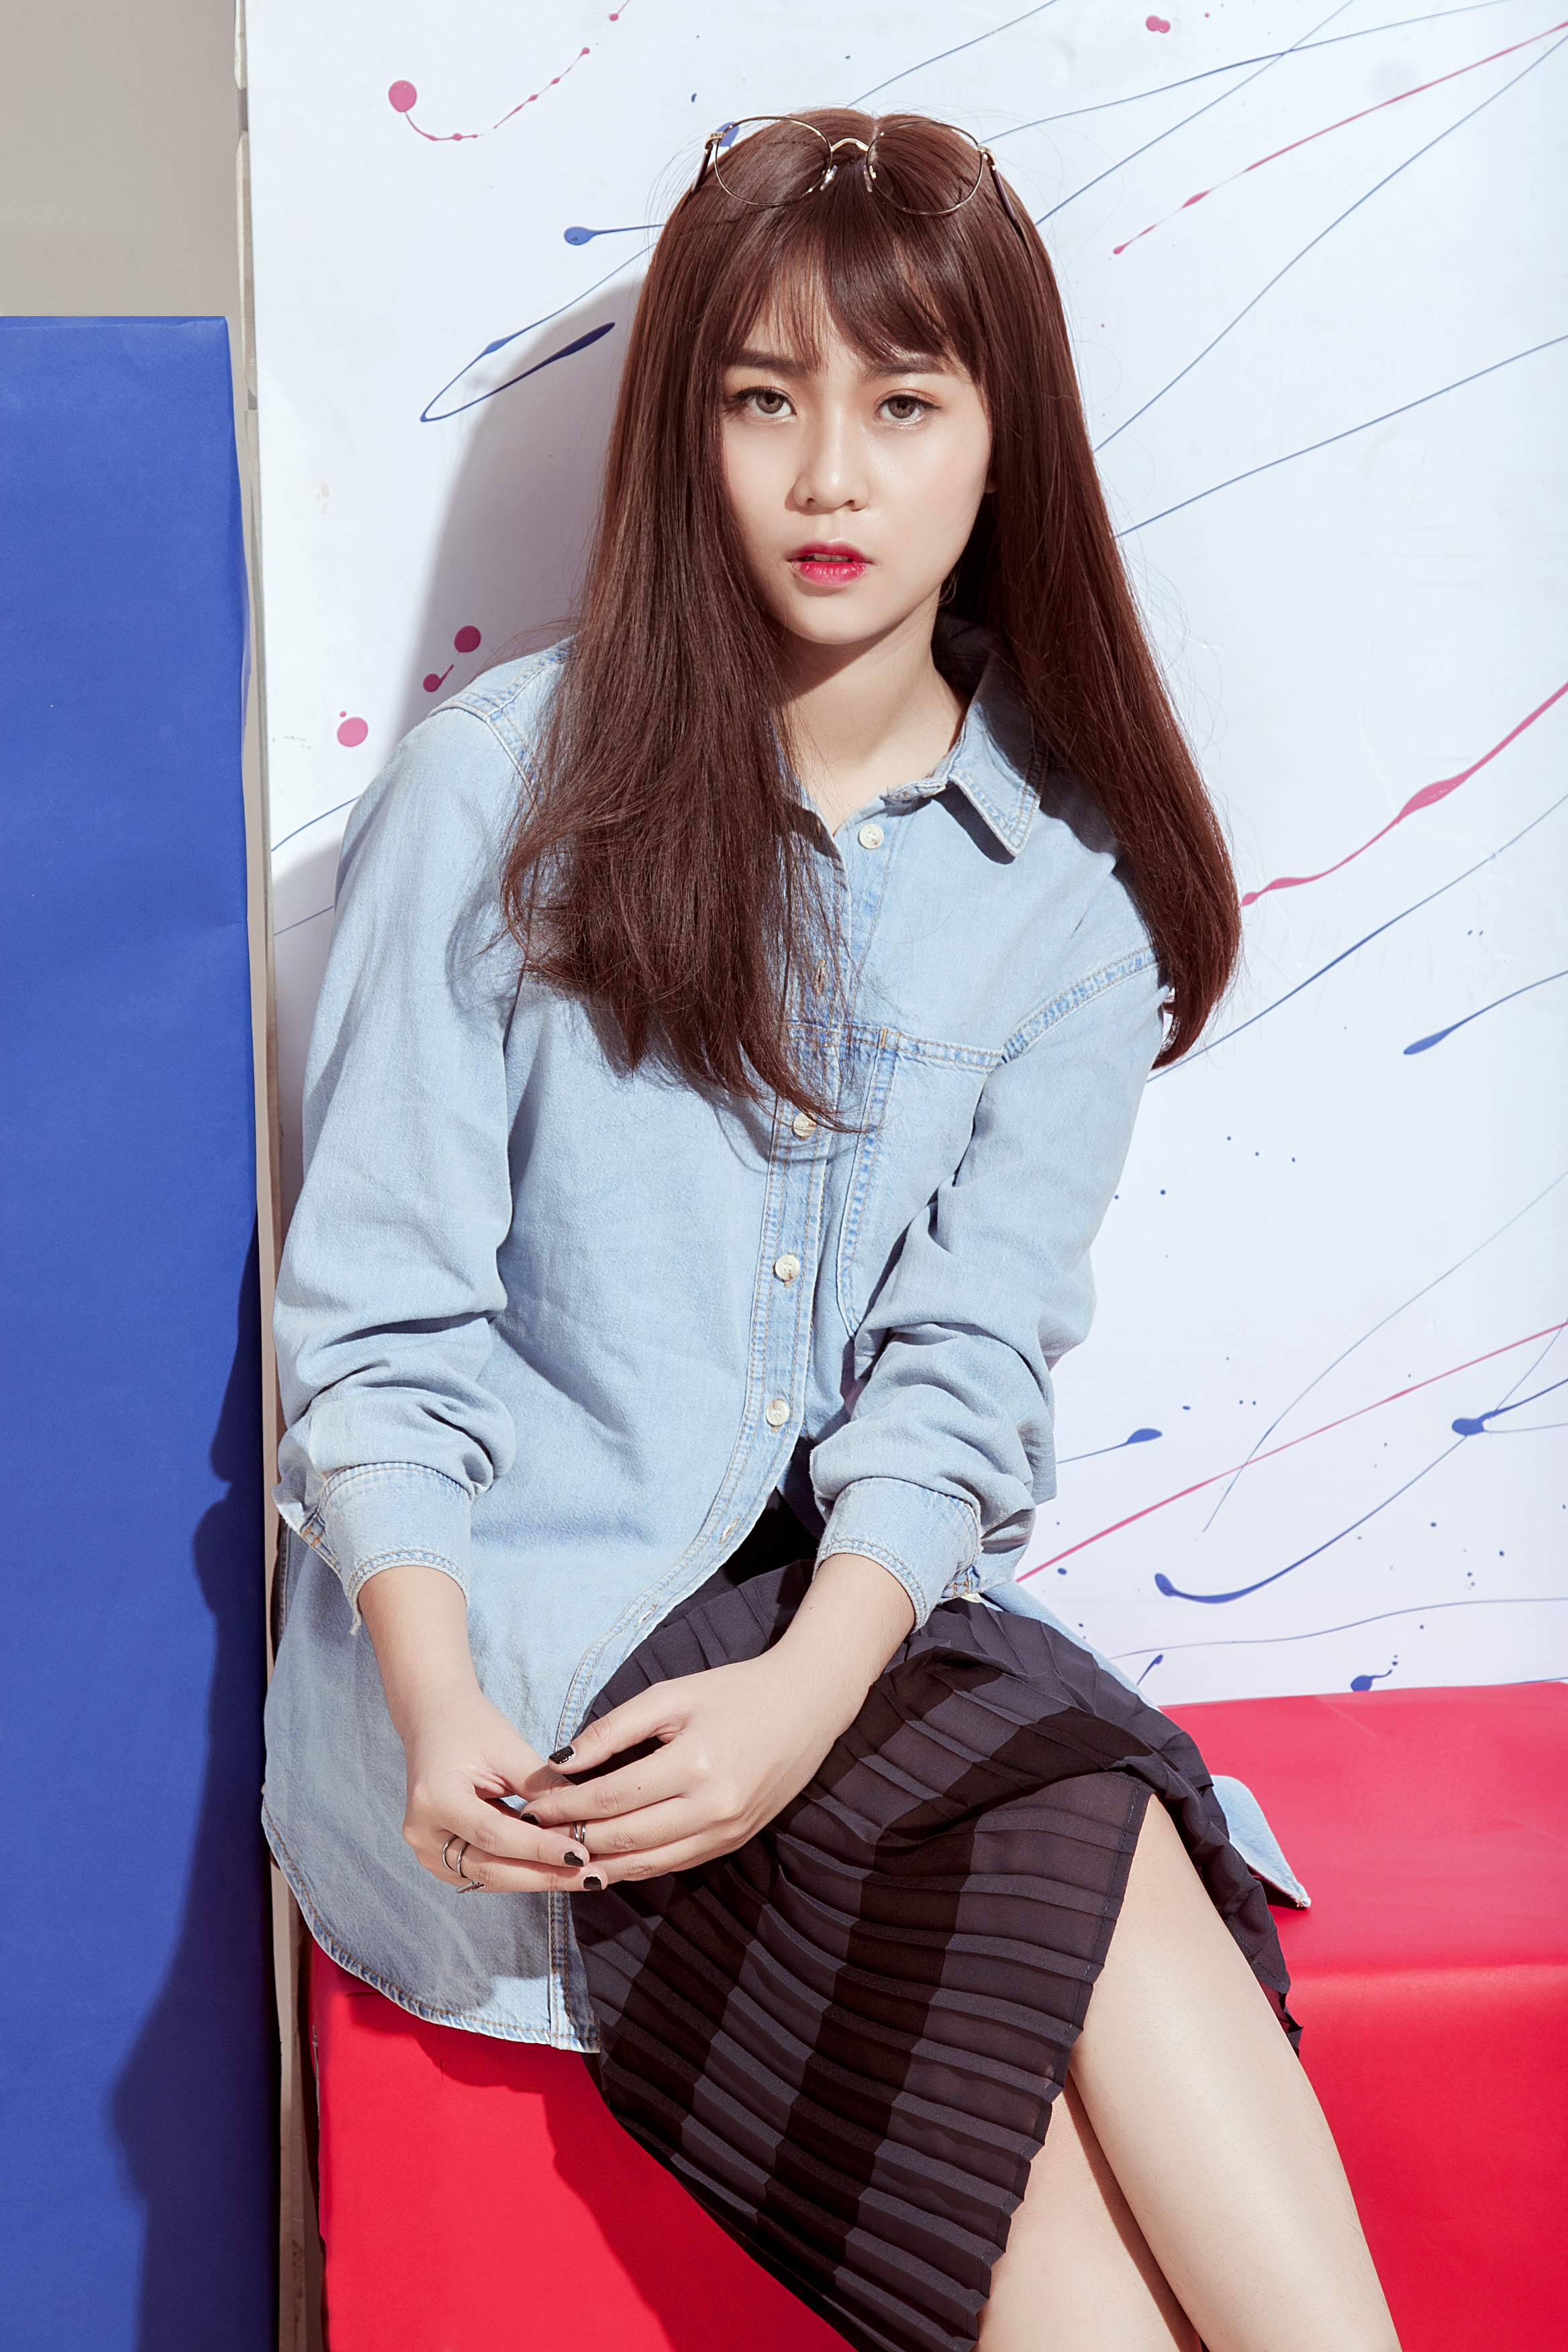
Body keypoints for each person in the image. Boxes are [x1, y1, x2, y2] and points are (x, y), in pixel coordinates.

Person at [264, 111, 1398, 2352]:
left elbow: (964, 1372)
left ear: (1002, 440)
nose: (827, 480)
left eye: (903, 406)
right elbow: (379, 1334)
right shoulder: (502, 795)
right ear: (685, 430)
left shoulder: (1066, 891)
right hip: (545, 1667)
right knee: (1066, 2053)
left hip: (842, 1637)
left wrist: (804, 1696)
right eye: (763, 399)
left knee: (1099, 1823)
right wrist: (436, 1703)